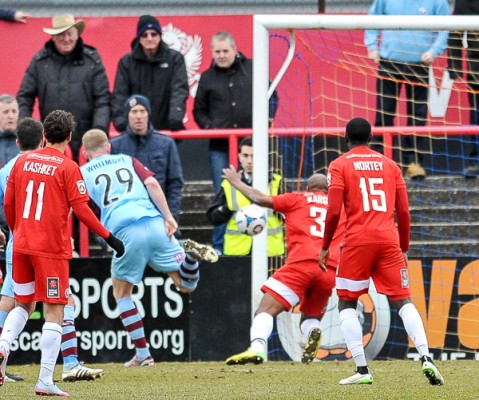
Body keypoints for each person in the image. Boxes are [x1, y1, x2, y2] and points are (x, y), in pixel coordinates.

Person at [0, 110, 124, 396]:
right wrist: (109, 238)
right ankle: (45, 380)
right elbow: (82, 210)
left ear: (45, 135)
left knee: (23, 305)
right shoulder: (68, 168)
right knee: (54, 309)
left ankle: (3, 346)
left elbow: (8, 203)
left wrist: (17, 228)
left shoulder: (21, 161)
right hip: (50, 250)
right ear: (69, 137)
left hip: (20, 246)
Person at [318, 117, 444, 386]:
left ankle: (362, 370)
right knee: (404, 301)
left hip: (356, 242)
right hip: (389, 242)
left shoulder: (339, 164)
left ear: (346, 138)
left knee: (346, 302)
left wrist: (326, 244)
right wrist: (404, 246)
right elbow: (405, 211)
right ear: (372, 138)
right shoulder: (391, 165)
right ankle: (426, 357)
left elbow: (333, 211)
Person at [81, 129, 217, 367]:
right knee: (185, 285)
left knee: (122, 293)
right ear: (109, 147)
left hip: (124, 230)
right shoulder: (127, 160)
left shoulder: (81, 172)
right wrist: (168, 217)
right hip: (154, 222)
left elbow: (77, 206)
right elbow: (152, 183)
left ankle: (143, 354)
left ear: (84, 152)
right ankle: (191, 259)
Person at [223, 170, 345, 365]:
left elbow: (259, 198)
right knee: (310, 317)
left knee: (265, 310)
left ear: (307, 188)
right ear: (328, 190)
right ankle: (314, 332)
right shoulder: (340, 208)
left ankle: (256, 349)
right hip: (328, 270)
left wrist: (236, 182)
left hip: (301, 264)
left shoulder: (296, 198)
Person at [194, 32, 279, 254]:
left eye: (225, 51)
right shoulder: (207, 77)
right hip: (221, 148)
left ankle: (265, 246)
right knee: (224, 196)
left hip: (253, 146)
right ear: (212, 52)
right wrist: (210, 127)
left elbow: (273, 96)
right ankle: (220, 247)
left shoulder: (253, 68)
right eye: (217, 51)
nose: (221, 55)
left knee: (262, 189)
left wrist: (266, 121)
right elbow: (198, 110)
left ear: (234, 49)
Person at [364, 0, 450, 179]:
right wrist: (371, 46)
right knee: (384, 113)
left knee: (417, 115)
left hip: (419, 64)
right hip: (389, 62)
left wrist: (435, 50)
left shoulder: (436, 1)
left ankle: (413, 162)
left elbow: (446, 27)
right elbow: (372, 19)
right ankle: (380, 161)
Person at [16, 14, 110, 162]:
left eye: (69, 33)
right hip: (51, 142)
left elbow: (103, 99)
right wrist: (28, 131)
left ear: (77, 34)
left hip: (86, 142)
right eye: (61, 34)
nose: (66, 39)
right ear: (53, 36)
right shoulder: (39, 62)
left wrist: (98, 131)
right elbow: (24, 97)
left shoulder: (92, 60)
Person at [110, 94, 184, 227]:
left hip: (159, 216)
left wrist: (172, 217)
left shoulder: (166, 143)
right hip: (126, 220)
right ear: (127, 115)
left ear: (148, 114)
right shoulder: (115, 146)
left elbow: (175, 183)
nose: (138, 116)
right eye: (134, 111)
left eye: (142, 111)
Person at [207, 136, 284, 256]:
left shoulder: (277, 182)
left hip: (271, 253)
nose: (249, 161)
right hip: (237, 252)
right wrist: (228, 209)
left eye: (253, 156)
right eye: (245, 155)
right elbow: (212, 217)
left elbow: (291, 214)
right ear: (239, 157)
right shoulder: (229, 183)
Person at [111, 14, 188, 133]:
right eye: (144, 35)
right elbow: (120, 94)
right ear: (138, 38)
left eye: (154, 34)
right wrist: (121, 122)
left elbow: (179, 90)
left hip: (167, 129)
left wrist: (175, 117)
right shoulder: (127, 62)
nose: (149, 38)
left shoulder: (175, 59)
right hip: (135, 132)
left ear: (160, 36)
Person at [447, 0, 479, 177]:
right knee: (477, 115)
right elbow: (456, 30)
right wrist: (454, 67)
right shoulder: (466, 1)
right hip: (477, 69)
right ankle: (476, 161)